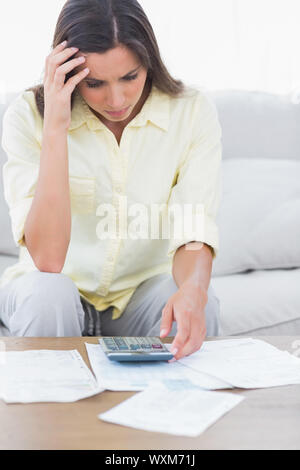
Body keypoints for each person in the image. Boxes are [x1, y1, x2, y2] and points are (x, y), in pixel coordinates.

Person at [0, 0, 222, 361]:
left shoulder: (192, 111)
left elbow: (194, 223)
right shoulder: (27, 117)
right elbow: (48, 259)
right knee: (46, 294)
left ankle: (168, 414)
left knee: (202, 299)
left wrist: (195, 289)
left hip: (139, 296)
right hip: (53, 292)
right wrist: (56, 125)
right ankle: (50, 415)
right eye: (94, 83)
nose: (116, 99)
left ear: (149, 61)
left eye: (130, 77)